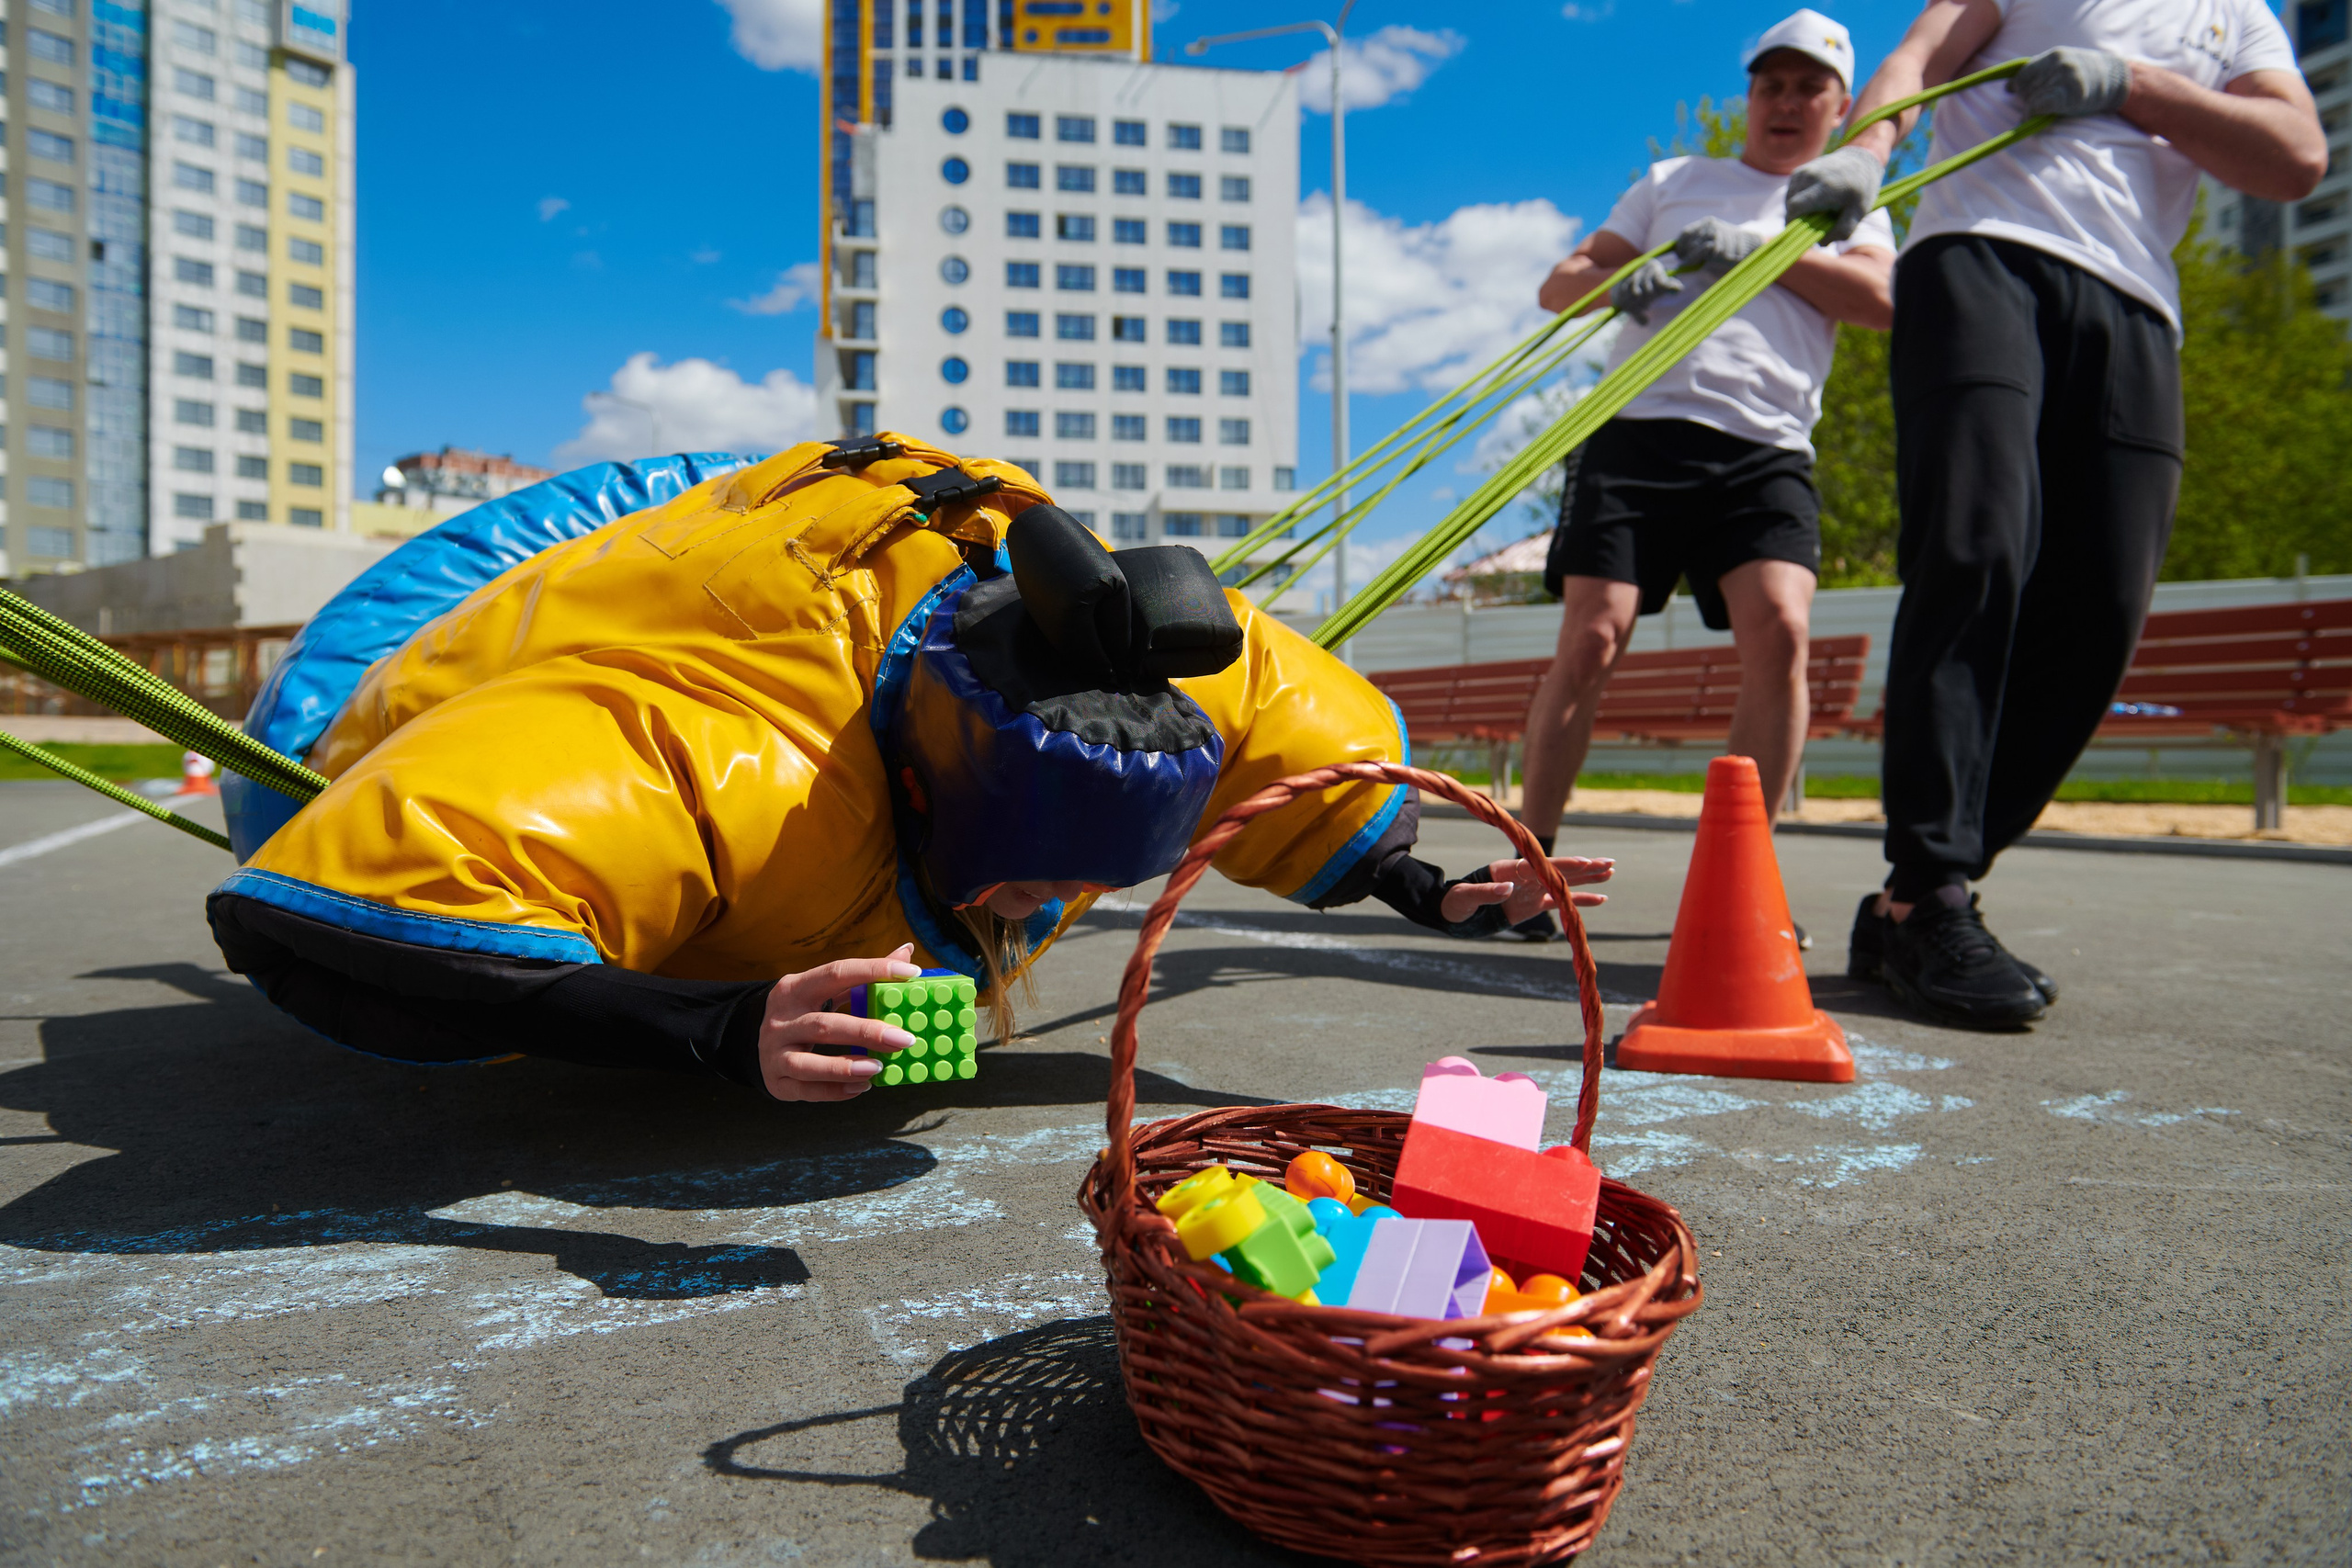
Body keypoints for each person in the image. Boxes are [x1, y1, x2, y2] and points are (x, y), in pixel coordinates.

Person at [208, 439, 1613, 1100]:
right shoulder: (724, 757)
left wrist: (1428, 890)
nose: (1043, 908)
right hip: (392, 690)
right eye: (1036, 876)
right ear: (935, 789)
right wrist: (718, 1029)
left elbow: (1288, 728)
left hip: (845, 558)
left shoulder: (1173, 661)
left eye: (1081, 886)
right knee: (355, 822)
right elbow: (310, 909)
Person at [1783, 0, 2324, 1026]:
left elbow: (2295, 157)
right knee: (1975, 547)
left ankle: (1910, 902)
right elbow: (1915, 56)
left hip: (2134, 301)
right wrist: (1867, 156)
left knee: (2103, 603)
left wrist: (2130, 85)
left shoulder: (2236, 17)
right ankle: (1931, 884)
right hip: (1980, 252)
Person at [1515, 10, 1896, 939]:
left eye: (1809, 87)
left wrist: (1769, 252)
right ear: (1748, 97)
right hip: (1636, 436)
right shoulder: (1676, 182)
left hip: (1764, 451)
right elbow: (1560, 284)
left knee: (1781, 628)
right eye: (1770, 84)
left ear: (1840, 107)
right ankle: (1532, 863)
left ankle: (1740, 878)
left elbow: (1884, 302)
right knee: (1593, 634)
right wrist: (1625, 279)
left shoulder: (1851, 204)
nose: (1785, 101)